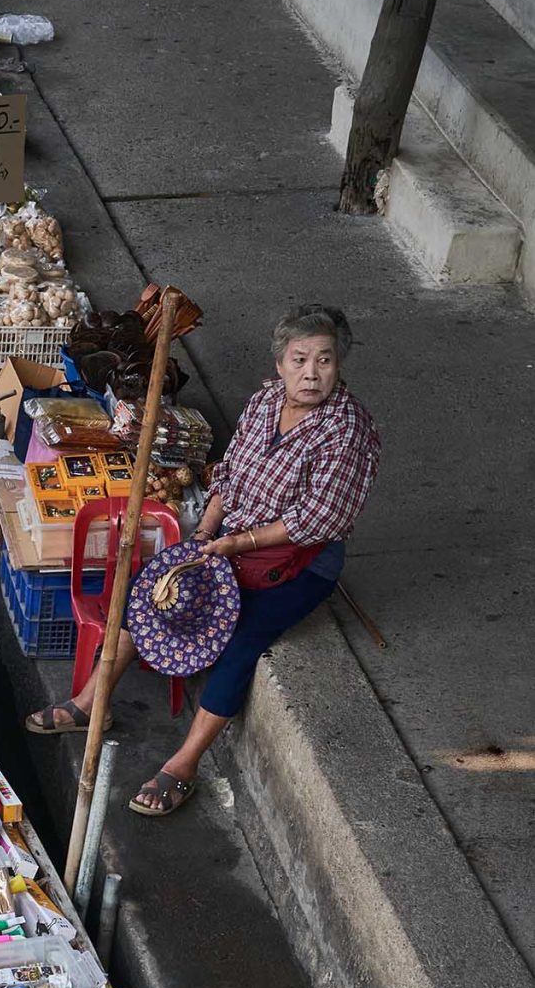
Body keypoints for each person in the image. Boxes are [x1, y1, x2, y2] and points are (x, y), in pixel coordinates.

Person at [28, 304, 381, 817]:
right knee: (151, 589)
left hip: (298, 562)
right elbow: (230, 474)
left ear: (339, 365)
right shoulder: (265, 402)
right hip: (231, 540)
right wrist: (204, 536)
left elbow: (316, 520)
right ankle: (89, 705)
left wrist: (234, 545)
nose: (311, 373)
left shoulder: (345, 431)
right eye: (299, 359)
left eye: (324, 361)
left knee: (241, 641)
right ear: (280, 363)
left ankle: (184, 764)